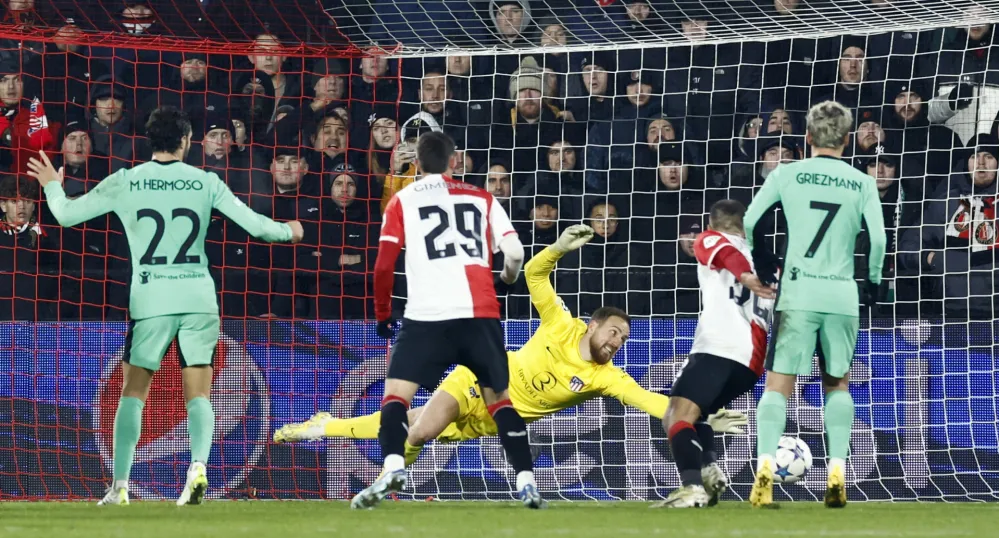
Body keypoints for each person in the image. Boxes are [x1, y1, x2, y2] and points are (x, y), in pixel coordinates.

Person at [275, 225, 750, 489]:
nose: (617, 343)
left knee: (406, 423)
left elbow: (650, 400)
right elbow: (536, 277)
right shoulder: (560, 323)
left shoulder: (608, 377)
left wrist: (693, 418)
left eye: (623, 340)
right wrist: (559, 248)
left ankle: (325, 425)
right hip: (477, 383)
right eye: (614, 332)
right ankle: (386, 482)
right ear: (593, 324)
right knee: (421, 429)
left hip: (490, 421)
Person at [26, 106, 304, 507]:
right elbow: (260, 227)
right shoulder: (206, 181)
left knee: (133, 393)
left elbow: (67, 215)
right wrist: (289, 231)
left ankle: (120, 486)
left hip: (151, 299)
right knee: (199, 394)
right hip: (198, 298)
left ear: (149, 141)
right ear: (187, 141)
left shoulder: (126, 180)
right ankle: (197, 467)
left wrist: (53, 184)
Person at [352, 131, 540, 510]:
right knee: (500, 402)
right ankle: (526, 481)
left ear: (416, 164)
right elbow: (516, 252)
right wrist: (504, 279)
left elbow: (384, 264)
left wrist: (383, 314)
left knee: (395, 397)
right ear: (454, 162)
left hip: (426, 318)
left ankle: (392, 467)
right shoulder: (483, 198)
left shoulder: (402, 200)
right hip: (479, 314)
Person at [743, 100, 886, 509]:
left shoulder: (788, 172)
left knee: (778, 386)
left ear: (807, 139)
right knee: (836, 383)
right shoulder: (861, 181)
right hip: (841, 294)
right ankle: (837, 473)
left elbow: (751, 220)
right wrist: (872, 281)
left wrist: (762, 258)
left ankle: (764, 473)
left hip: (799, 292)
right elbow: (877, 240)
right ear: (846, 140)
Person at [654, 200, 775, 509]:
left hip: (718, 347)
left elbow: (725, 254)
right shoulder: (770, 263)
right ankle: (708, 468)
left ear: (713, 222)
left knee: (676, 416)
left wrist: (746, 276)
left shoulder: (710, 238)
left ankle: (693, 487)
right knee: (701, 416)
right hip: (752, 362)